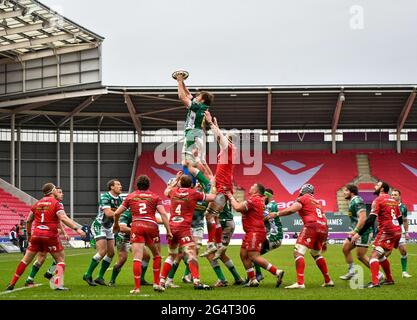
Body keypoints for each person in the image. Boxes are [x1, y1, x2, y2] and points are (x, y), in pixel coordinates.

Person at [5, 183, 85, 291]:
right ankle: (57, 284)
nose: (58, 191)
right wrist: (77, 229)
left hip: (36, 234)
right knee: (60, 260)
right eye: (56, 190)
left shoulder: (36, 204)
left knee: (25, 260)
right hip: (50, 235)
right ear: (52, 191)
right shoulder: (57, 203)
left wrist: (29, 235)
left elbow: (28, 221)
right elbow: (63, 218)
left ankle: (12, 283)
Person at [113, 175, 172, 294]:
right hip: (151, 226)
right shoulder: (155, 197)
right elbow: (164, 214)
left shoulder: (130, 197)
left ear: (137, 185)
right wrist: (168, 230)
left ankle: (137, 288)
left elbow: (116, 213)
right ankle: (156, 284)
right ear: (148, 185)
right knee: (157, 255)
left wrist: (116, 225)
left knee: (137, 258)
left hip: (137, 226)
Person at [267, 184, 334, 289]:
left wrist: (276, 214)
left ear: (303, 190)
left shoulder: (303, 198)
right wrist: (325, 240)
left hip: (311, 225)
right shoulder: (318, 203)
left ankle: (300, 283)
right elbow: (325, 220)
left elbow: (291, 210)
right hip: (323, 227)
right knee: (316, 253)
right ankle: (328, 280)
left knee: (298, 252)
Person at [159, 174, 217, 291]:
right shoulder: (193, 193)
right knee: (192, 253)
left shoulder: (173, 191)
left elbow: (166, 191)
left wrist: (175, 180)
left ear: (180, 183)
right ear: (192, 185)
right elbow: (212, 198)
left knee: (171, 255)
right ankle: (196, 281)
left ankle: (161, 282)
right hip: (183, 228)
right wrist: (213, 185)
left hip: (171, 227)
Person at [227, 183, 285, 288]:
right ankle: (253, 280)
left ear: (256, 191)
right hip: (251, 231)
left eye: (252, 186)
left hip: (255, 232)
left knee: (253, 256)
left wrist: (230, 196)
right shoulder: (256, 200)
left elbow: (237, 208)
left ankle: (277, 272)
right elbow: (243, 208)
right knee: (243, 254)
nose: (250, 186)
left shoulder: (254, 199)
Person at [200, 111, 237, 258]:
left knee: (209, 215)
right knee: (215, 217)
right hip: (223, 186)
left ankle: (211, 244)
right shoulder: (230, 149)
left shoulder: (227, 148)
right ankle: (218, 244)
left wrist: (210, 123)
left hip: (222, 188)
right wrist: (216, 126)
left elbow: (220, 138)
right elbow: (220, 138)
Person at [351, 181, 402, 288]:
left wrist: (358, 234)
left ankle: (375, 282)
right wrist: (397, 232)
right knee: (382, 255)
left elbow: (370, 220)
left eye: (377, 185)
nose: (375, 186)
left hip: (387, 231)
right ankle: (389, 279)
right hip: (396, 230)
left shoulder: (378, 200)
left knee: (374, 255)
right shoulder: (393, 201)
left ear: (382, 189)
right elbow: (400, 218)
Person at [24, 187, 71, 287]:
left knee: (43, 257)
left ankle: (31, 278)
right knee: (59, 258)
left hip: (42, 233)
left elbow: (58, 222)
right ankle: (53, 279)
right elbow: (60, 220)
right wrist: (69, 230)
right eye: (59, 192)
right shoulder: (56, 204)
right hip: (49, 234)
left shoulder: (53, 203)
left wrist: (64, 232)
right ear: (54, 193)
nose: (62, 194)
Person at [340, 185, 384, 282]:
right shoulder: (352, 201)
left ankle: (379, 274)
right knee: (345, 248)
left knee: (360, 256)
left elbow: (363, 218)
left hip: (364, 232)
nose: (344, 192)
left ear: (352, 192)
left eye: (346, 190)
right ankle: (352, 271)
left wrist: (355, 231)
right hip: (357, 231)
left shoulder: (357, 200)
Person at [83, 179, 123, 286]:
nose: (120, 186)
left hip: (109, 227)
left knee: (111, 253)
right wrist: (119, 214)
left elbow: (119, 214)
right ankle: (87, 274)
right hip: (99, 225)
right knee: (102, 251)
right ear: (111, 187)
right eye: (118, 184)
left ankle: (100, 277)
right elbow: (109, 213)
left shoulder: (120, 199)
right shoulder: (105, 196)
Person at [175, 72, 214, 180]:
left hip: (193, 133)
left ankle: (207, 183)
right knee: (193, 162)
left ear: (202, 100)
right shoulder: (201, 106)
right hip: (197, 134)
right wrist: (182, 81)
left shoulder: (198, 106)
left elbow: (182, 97)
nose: (195, 97)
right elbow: (187, 93)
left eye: (198, 96)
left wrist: (178, 81)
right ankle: (208, 182)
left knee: (188, 163)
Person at [109, 209, 151, 287]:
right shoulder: (126, 213)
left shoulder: (142, 213)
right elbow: (122, 228)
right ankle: (112, 281)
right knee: (123, 259)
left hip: (134, 237)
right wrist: (137, 231)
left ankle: (141, 279)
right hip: (123, 238)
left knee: (146, 256)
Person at [254, 188, 283, 282]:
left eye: (263, 196)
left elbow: (261, 218)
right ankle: (258, 275)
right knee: (253, 254)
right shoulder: (273, 205)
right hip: (275, 237)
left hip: (273, 237)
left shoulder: (269, 206)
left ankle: (259, 275)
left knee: (252, 253)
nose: (262, 198)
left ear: (267, 196)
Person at [391, 189, 412, 278]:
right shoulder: (388, 205)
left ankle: (404, 272)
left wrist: (406, 232)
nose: (393, 196)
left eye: (395, 195)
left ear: (399, 196)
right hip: (390, 231)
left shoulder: (403, 207)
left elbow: (405, 220)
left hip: (400, 232)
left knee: (403, 251)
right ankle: (380, 272)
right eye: (392, 195)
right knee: (386, 253)